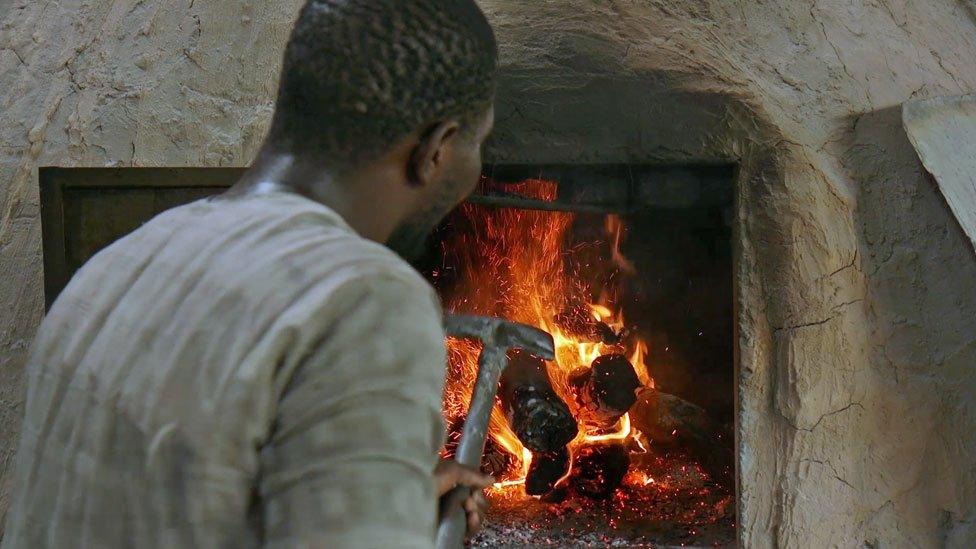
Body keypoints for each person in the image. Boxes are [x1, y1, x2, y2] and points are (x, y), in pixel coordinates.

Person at [2, 1, 498, 547]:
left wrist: (386, 501)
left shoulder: (116, 264)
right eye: (477, 143)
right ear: (436, 149)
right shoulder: (363, 298)